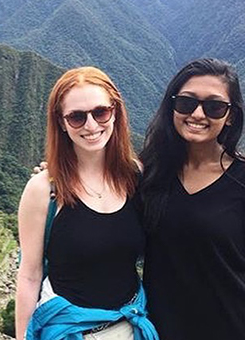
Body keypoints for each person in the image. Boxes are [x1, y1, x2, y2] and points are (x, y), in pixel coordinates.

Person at [15, 66, 158, 340]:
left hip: (132, 326)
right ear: (61, 122)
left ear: (115, 111)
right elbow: (29, 275)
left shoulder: (135, 177)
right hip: (71, 332)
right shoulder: (43, 190)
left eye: (100, 112)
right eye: (77, 117)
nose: (91, 126)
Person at [140, 58, 245, 340]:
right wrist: (51, 176)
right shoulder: (149, 173)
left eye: (214, 106)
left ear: (231, 115)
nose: (198, 114)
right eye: (187, 103)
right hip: (156, 332)